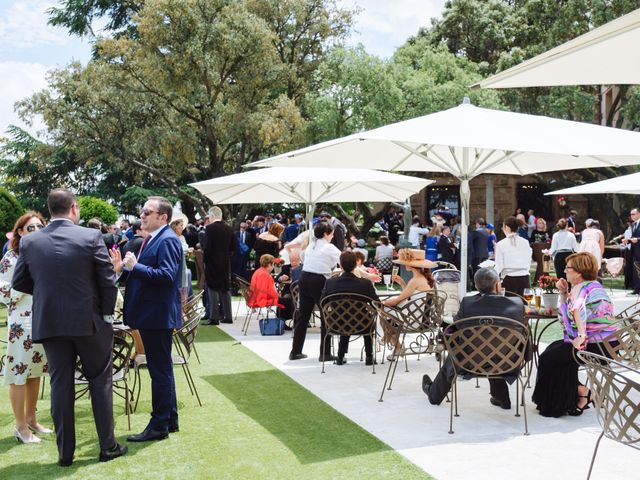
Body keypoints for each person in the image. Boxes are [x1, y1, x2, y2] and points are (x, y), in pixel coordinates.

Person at [12, 189, 126, 465]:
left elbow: (19, 282)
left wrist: (46, 294)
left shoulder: (31, 242)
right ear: (73, 208)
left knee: (60, 386)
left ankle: (65, 454)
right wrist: (107, 315)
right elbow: (108, 281)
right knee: (100, 383)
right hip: (90, 323)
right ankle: (107, 447)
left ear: (49, 209)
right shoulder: (90, 236)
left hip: (51, 323)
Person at [113, 195, 183, 443]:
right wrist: (125, 268)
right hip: (153, 315)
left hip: (158, 316)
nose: (141, 215)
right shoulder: (155, 239)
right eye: (142, 212)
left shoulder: (167, 240)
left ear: (162, 217)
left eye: (147, 212)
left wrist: (135, 267)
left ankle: (159, 425)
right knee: (162, 369)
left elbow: (166, 276)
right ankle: (169, 420)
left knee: (159, 371)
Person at [422, 268, 527, 408]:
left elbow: (456, 324)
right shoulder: (516, 304)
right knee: (495, 345)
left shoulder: (468, 303)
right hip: (508, 362)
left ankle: (434, 395)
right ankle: (502, 398)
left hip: (471, 363)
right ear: (497, 285)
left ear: (476, 286)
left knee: (462, 350)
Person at [532, 252, 619, 417]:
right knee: (554, 349)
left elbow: (576, 309)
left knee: (547, 359)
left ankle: (564, 401)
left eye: (568, 268)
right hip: (609, 345)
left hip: (594, 346)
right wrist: (564, 293)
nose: (564, 271)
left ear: (579, 272)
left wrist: (581, 335)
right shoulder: (593, 286)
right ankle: (581, 394)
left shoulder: (581, 288)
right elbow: (566, 315)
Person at [1, 212, 50, 444]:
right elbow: (3, 291)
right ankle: (20, 427)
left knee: (36, 372)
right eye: (31, 228)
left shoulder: (42, 255)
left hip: (43, 320)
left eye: (40, 226)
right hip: (21, 323)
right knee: (19, 373)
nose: (37, 230)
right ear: (19, 231)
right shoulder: (11, 258)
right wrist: (24, 288)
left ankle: (31, 418)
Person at [289, 221, 341, 361]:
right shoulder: (329, 247)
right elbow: (346, 261)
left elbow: (302, 258)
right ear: (325, 234)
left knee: (303, 317)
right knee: (326, 316)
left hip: (304, 279)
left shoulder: (311, 245)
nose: (333, 235)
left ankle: (295, 351)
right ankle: (325, 353)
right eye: (331, 233)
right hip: (318, 281)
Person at [321, 251, 379, 366]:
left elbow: (322, 302)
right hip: (363, 325)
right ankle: (369, 356)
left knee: (344, 314)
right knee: (362, 316)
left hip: (336, 324)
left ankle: (340, 356)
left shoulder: (330, 283)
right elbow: (377, 303)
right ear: (355, 265)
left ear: (340, 266)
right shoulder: (365, 283)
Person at [382, 249, 436, 356]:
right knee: (387, 314)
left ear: (411, 265)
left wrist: (381, 303)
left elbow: (398, 300)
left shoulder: (415, 280)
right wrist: (402, 283)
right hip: (425, 319)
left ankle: (395, 345)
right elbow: (411, 297)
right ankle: (389, 340)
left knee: (383, 312)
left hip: (414, 321)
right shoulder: (424, 278)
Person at [203, 206, 236, 325]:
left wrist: (205, 261)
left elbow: (207, 248)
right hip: (225, 263)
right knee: (225, 289)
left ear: (211, 216)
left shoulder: (210, 228)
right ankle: (228, 316)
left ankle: (214, 317)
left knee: (212, 288)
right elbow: (233, 248)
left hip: (212, 262)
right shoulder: (229, 228)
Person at [494, 216, 532, 296]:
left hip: (509, 279)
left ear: (507, 227)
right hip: (524, 278)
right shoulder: (525, 242)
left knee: (509, 306)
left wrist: (494, 277)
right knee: (524, 306)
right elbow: (529, 260)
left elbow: (499, 265)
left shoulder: (501, 244)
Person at [622, 207, 640, 294]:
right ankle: (636, 289)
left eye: (633, 214)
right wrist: (627, 240)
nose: (631, 216)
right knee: (635, 271)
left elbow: (637, 238)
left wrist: (638, 239)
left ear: (639, 214)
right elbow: (633, 238)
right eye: (631, 214)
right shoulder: (632, 225)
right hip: (635, 251)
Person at [530, 217, 551, 282]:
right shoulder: (534, 232)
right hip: (537, 251)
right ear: (537, 224)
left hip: (545, 251)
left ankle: (546, 279)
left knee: (545, 264)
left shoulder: (546, 232)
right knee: (540, 263)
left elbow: (549, 241)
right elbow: (531, 241)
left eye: (542, 223)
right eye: (539, 223)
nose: (541, 224)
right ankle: (539, 280)